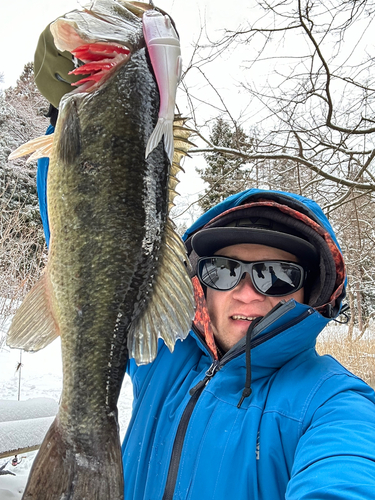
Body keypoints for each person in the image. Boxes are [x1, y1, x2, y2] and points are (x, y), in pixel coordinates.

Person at [33, 20, 375, 500]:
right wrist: (66, 111)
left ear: (309, 290)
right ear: (201, 285)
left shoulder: (333, 402)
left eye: (276, 275)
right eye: (224, 269)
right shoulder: (164, 354)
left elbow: (347, 476)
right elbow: (87, 242)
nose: (247, 290)